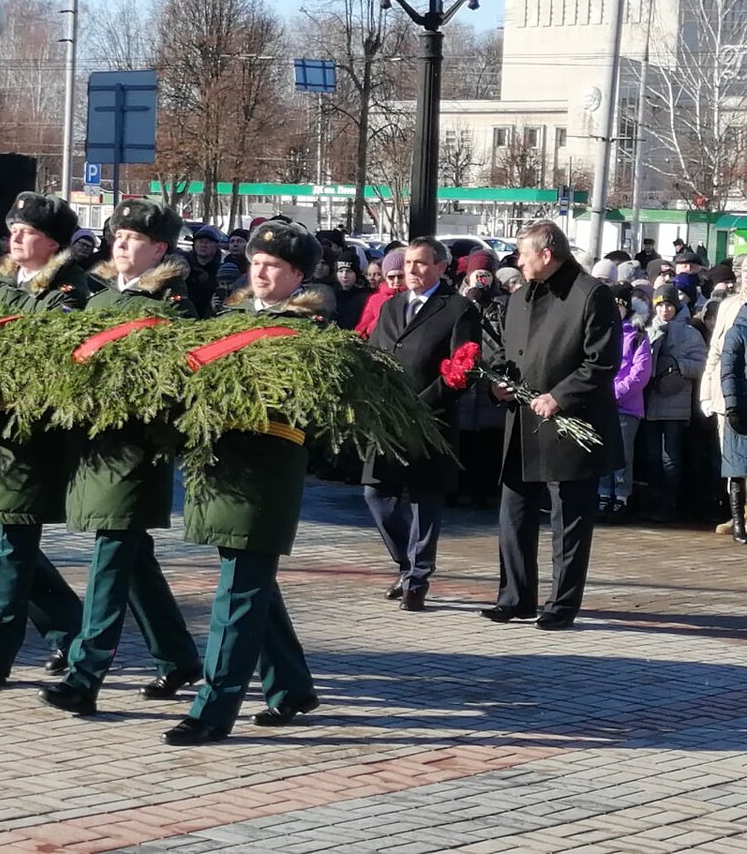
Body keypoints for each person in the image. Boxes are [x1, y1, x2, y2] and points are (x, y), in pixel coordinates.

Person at [162, 220, 329, 746]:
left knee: (237, 592)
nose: (260, 272)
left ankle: (212, 711)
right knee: (250, 584)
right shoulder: (226, 320)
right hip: (223, 466)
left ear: (297, 275)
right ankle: (291, 686)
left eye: (274, 266)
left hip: (269, 471)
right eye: (256, 262)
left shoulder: (311, 333)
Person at [40, 200, 201, 716]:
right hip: (94, 446)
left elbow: (175, 381)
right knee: (132, 560)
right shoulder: (100, 299)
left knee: (110, 558)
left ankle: (85, 676)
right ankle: (177, 657)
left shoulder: (173, 306)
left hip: (137, 450)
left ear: (160, 249)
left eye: (134, 239)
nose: (121, 245)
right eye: (118, 236)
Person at [0, 192, 88, 693]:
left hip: (34, 433)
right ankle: (73, 630)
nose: (16, 237)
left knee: (13, 547)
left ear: (52, 243)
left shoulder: (69, 292)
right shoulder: (5, 285)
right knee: (8, 544)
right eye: (13, 228)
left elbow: (53, 357)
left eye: (27, 231)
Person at [480, 220, 621, 631]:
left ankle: (561, 604)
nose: (517, 261)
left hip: (569, 423)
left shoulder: (591, 294)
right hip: (523, 421)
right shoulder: (520, 296)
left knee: (569, 520)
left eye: (523, 253)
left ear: (546, 253)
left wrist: (560, 396)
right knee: (514, 512)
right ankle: (515, 597)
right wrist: (500, 383)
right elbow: (507, 352)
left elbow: (602, 360)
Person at [363, 238, 481, 611]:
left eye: (421, 264)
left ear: (441, 268)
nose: (412, 270)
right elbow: (377, 354)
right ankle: (405, 564)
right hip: (387, 418)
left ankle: (418, 579)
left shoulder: (459, 309)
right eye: (409, 263)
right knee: (376, 494)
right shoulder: (392, 305)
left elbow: (465, 368)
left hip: (430, 420)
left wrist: (422, 404)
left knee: (423, 500)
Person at [642, 283, 707, 523]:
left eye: (669, 305)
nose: (664, 310)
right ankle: (653, 501)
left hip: (676, 404)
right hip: (651, 402)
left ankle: (668, 505)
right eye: (660, 305)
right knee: (651, 455)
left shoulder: (690, 333)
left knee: (671, 456)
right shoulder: (649, 330)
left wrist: (678, 366)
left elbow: (702, 364)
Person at [455, 253, 509, 508]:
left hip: (490, 382)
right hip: (465, 380)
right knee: (462, 438)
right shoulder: (458, 302)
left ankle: (483, 490)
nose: (482, 280)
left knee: (488, 443)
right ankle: (458, 487)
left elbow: (503, 341)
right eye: (478, 275)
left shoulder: (500, 306)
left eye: (487, 275)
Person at [597, 283, 652, 522]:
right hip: (603, 402)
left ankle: (621, 496)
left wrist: (615, 392)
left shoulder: (638, 335)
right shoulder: (601, 332)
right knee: (602, 451)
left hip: (626, 406)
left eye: (619, 305)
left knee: (623, 454)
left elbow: (640, 372)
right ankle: (602, 493)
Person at [700, 256, 747, 535]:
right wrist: (707, 393)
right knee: (733, 460)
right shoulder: (729, 306)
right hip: (726, 396)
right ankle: (736, 515)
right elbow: (716, 354)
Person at [718, 303, 747, 544]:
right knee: (738, 469)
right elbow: (728, 371)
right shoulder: (737, 332)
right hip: (741, 407)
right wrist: (732, 405)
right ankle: (738, 522)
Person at [355, 248, 405, 339]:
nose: (396, 281)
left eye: (401, 276)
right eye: (391, 277)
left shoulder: (413, 297)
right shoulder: (375, 299)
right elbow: (361, 328)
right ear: (385, 277)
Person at [186, 225, 223, 317]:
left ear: (216, 246)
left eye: (208, 242)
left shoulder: (221, 270)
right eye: (200, 241)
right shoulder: (186, 267)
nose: (203, 245)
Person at [332, 259, 369, 330]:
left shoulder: (365, 297)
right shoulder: (331, 294)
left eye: (349, 271)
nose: (344, 275)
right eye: (340, 271)